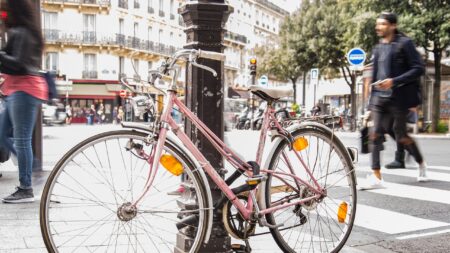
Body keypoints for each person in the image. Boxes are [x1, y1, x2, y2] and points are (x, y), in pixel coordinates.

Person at [361, 12, 427, 190]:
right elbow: (375, 76)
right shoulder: (378, 48)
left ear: (393, 26)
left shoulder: (404, 44)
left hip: (399, 99)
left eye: (382, 24)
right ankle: (377, 177)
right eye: (378, 24)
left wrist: (394, 81)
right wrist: (369, 106)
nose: (378, 27)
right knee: (374, 134)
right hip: (379, 100)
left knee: (400, 136)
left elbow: (418, 68)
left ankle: (421, 162)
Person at [0, 0, 48, 203]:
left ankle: (26, 186)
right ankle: (33, 168)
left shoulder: (22, 33)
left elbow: (19, 64)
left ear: (13, 11)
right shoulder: (20, 31)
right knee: (2, 135)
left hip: (25, 90)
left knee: (21, 140)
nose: (3, 15)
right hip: (17, 90)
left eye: (4, 11)